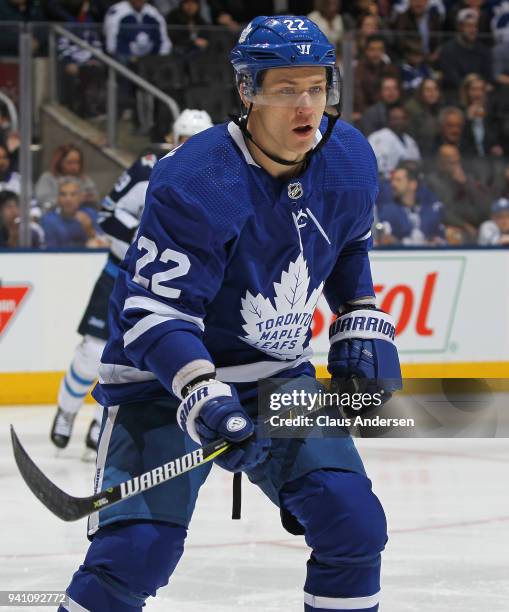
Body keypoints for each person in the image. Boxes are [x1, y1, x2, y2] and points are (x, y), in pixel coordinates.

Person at [58, 16, 401, 612]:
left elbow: (348, 245)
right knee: (135, 554)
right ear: (247, 91)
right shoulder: (195, 177)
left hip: (276, 379)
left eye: (317, 88)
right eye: (286, 89)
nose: (307, 106)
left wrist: (358, 313)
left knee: (354, 525)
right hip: (163, 385)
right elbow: (152, 311)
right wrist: (200, 390)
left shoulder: (348, 157)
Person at [50, 109, 213, 452]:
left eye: (197, 141)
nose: (189, 148)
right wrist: (144, 239)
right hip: (121, 276)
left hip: (171, 287)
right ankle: (66, 411)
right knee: (93, 351)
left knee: (132, 361)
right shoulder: (148, 168)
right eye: (184, 139)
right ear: (172, 137)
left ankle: (100, 423)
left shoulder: (217, 178)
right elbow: (108, 214)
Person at [378, 165, 444, 245]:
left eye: (398, 180)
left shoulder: (430, 211)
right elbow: (385, 239)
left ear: (412, 184)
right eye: (392, 180)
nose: (393, 184)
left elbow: (441, 239)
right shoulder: (387, 211)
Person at [35, 143, 98, 211]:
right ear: (59, 162)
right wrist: (68, 201)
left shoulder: (85, 180)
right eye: (70, 162)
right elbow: (43, 201)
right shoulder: (48, 178)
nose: (74, 167)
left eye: (77, 162)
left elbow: (95, 201)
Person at [40, 178, 101, 248]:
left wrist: (89, 230)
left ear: (81, 197)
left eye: (73, 194)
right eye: (63, 194)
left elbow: (105, 244)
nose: (68, 199)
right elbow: (50, 252)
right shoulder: (49, 220)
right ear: (57, 198)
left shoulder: (91, 214)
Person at [368, 105, 421, 178]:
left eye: (403, 118)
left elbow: (416, 163)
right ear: (388, 120)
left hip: (407, 184)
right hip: (383, 182)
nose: (400, 122)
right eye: (395, 119)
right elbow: (375, 167)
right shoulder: (377, 137)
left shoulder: (410, 141)